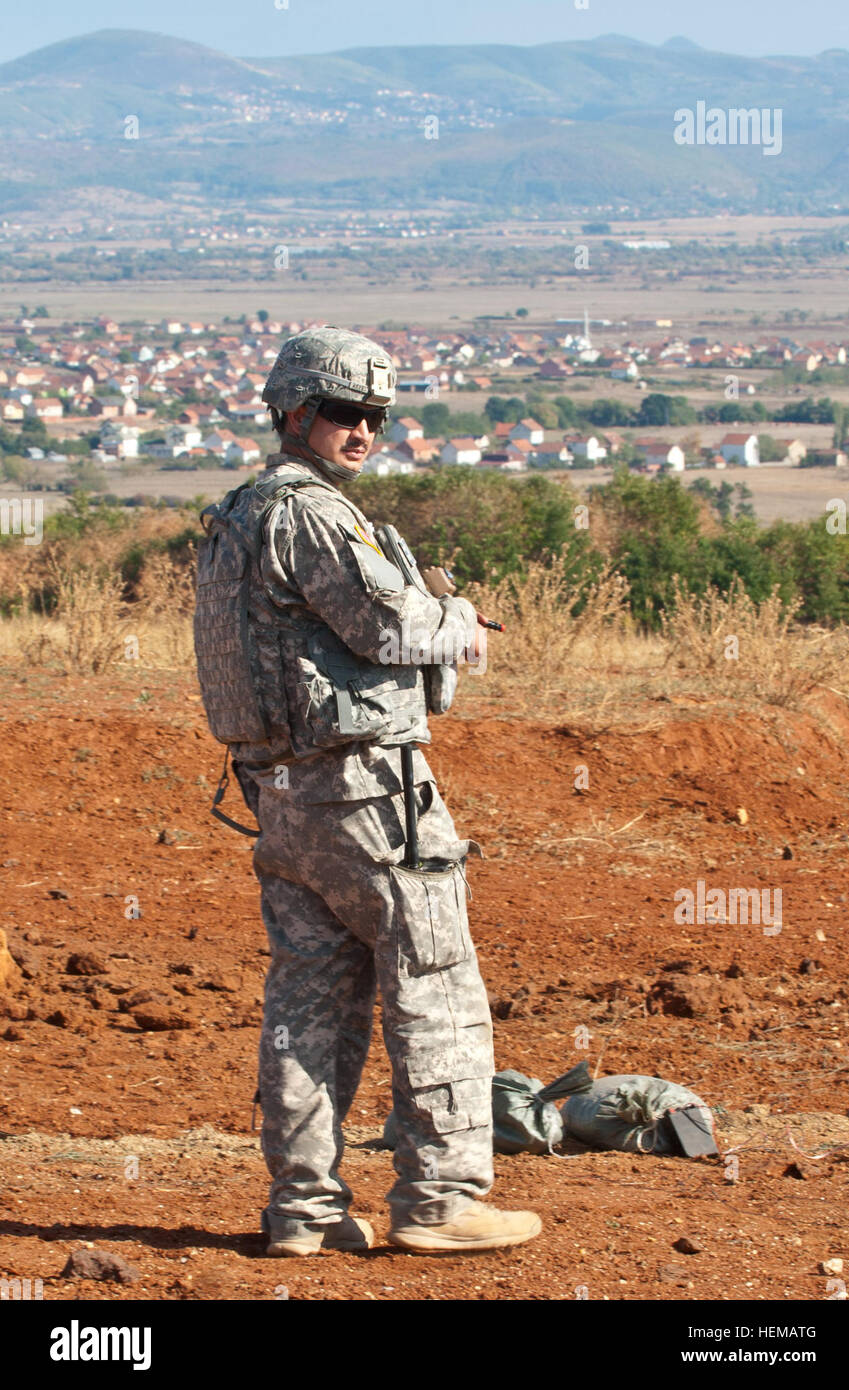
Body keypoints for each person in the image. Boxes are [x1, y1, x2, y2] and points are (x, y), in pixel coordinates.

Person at [194, 326, 541, 1255]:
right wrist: (458, 623)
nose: (363, 431)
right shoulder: (309, 514)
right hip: (368, 793)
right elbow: (387, 626)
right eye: (345, 413)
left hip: (281, 799)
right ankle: (442, 1199)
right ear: (295, 413)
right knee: (434, 982)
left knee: (312, 999)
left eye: (376, 417)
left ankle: (303, 1214)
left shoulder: (233, 516)